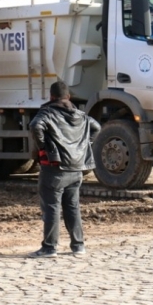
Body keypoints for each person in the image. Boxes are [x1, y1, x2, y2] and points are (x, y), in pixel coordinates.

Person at [28, 80, 101, 258]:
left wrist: (45, 147)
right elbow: (97, 127)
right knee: (72, 207)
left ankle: (49, 247)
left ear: (51, 97)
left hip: (55, 168)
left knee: (52, 207)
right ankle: (78, 246)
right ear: (68, 97)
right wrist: (84, 144)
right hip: (76, 169)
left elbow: (34, 126)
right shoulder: (80, 115)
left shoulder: (47, 112)